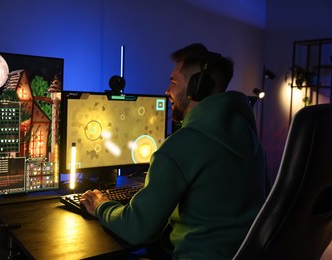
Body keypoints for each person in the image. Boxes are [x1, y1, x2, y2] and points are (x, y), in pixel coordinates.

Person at [80, 43, 270, 259]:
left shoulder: (181, 146)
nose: (167, 91)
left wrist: (101, 205)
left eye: (173, 83)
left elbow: (137, 227)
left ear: (196, 88)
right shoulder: (252, 140)